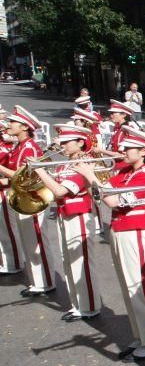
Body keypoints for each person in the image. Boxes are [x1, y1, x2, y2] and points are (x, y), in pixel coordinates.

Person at [77, 126, 145, 361]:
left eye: (128, 148)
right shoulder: (125, 173)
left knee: (140, 290)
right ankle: (141, 336)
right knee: (128, 289)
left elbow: (114, 202)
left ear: (144, 150)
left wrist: (92, 176)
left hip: (135, 233)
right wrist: (91, 178)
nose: (122, 151)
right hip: (120, 231)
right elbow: (101, 195)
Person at [33, 124, 103, 321]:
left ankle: (89, 306)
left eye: (66, 142)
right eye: (61, 141)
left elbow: (60, 191)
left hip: (79, 215)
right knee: (68, 260)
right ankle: (78, 304)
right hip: (66, 214)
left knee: (81, 263)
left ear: (80, 142)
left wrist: (40, 171)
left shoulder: (84, 162)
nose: (62, 145)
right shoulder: (65, 163)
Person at [0, 107, 55, 297]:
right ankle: (37, 281)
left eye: (13, 122)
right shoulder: (20, 146)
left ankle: (45, 282)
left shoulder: (29, 147)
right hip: (24, 197)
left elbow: (20, 176)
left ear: (24, 126)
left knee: (37, 241)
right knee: (28, 240)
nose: (9, 124)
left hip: (34, 198)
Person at [0, 114, 23, 275]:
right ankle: (7, 261)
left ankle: (13, 262)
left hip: (4, 189)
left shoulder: (8, 146)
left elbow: (16, 173)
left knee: (7, 229)